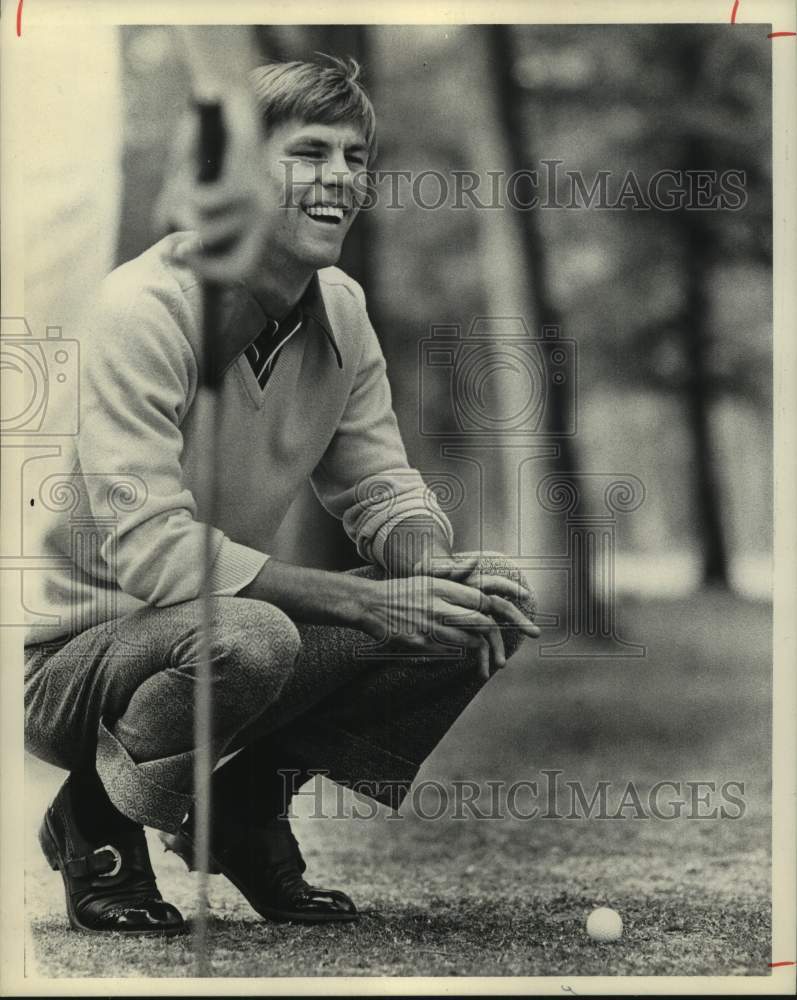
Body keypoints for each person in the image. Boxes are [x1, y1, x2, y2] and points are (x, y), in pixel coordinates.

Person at [23, 56, 539, 936]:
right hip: (68, 661)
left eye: (354, 157)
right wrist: (363, 602)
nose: (339, 177)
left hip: (211, 634)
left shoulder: (339, 307)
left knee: (467, 619)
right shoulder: (143, 308)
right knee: (253, 635)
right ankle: (95, 820)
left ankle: (245, 813)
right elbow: (150, 550)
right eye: (307, 152)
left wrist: (430, 568)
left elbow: (379, 488)